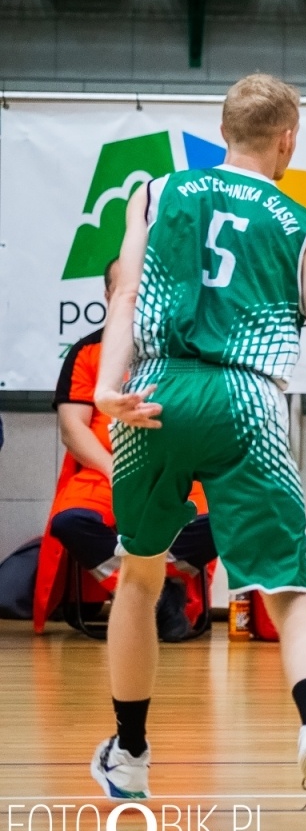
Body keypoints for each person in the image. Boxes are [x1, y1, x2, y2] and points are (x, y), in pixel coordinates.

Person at [92, 74, 306, 831]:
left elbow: (124, 295)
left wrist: (107, 387)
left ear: (222, 131)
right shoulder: (304, 225)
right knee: (288, 591)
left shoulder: (157, 191)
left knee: (139, 576)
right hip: (248, 401)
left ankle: (131, 755)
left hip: (155, 391)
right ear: (288, 139)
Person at [37, 258, 216, 641]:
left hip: (178, 472)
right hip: (106, 472)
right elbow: (72, 429)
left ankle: (145, 589)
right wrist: (117, 470)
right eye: (126, 290)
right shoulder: (87, 352)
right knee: (71, 522)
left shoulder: (187, 350)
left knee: (224, 520)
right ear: (108, 295)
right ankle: (159, 595)